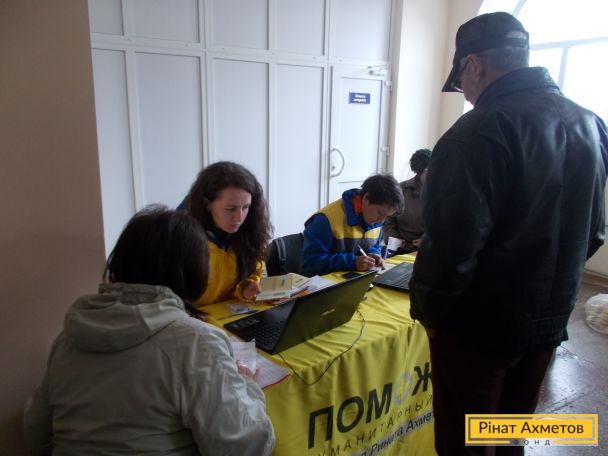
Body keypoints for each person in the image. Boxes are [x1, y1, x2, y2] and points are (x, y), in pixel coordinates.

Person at [409, 12, 608, 456]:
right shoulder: (590, 123)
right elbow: (593, 232)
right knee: (507, 432)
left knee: (466, 444)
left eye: (460, 82)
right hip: (548, 321)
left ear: (474, 65)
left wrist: (431, 316)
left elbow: (451, 248)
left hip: (478, 331)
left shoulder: (477, 131)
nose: (464, 93)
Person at [23, 206, 275, 455]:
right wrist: (247, 386)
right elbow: (246, 447)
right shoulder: (196, 342)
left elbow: (37, 435)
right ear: (194, 272)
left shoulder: (67, 339)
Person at [184, 161, 272, 309]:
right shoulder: (182, 241)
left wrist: (245, 288)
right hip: (192, 318)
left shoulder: (249, 233)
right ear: (206, 204)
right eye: (230, 209)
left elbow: (253, 272)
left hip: (230, 315)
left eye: (246, 207)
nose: (239, 218)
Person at [301, 173, 404, 276]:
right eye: (380, 213)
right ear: (366, 198)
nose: (382, 221)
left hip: (356, 279)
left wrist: (374, 254)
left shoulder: (376, 219)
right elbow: (310, 263)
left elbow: (375, 245)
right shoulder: (325, 220)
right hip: (327, 283)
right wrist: (352, 262)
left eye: (387, 216)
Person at [383, 148, 431, 254]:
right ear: (421, 171)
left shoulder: (442, 194)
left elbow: (445, 225)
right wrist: (393, 238)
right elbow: (388, 218)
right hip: (400, 249)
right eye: (429, 170)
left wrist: (428, 240)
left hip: (428, 251)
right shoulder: (401, 190)